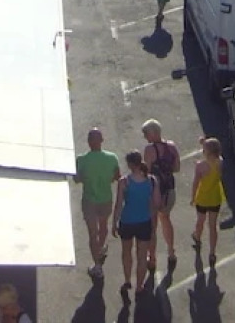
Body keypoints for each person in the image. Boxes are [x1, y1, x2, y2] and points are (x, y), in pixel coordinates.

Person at [73, 127, 120, 279]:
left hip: (89, 200)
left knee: (92, 233)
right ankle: (101, 249)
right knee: (103, 226)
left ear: (88, 142)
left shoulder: (81, 159)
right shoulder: (112, 158)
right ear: (102, 141)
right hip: (105, 198)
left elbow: (77, 179)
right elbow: (117, 176)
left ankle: (97, 265)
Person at [112, 150, 157, 296]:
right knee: (142, 256)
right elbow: (155, 204)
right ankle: (139, 286)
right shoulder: (151, 181)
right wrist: (153, 223)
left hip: (127, 221)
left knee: (126, 252)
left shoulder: (124, 181)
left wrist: (114, 223)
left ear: (130, 164)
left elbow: (119, 204)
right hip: (144, 221)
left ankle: (127, 280)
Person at [141, 119, 181, 271]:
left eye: (146, 133)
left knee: (152, 225)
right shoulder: (171, 147)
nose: (145, 137)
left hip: (155, 191)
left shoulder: (149, 150)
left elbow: (147, 172)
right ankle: (171, 251)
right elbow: (176, 168)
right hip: (169, 189)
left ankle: (152, 258)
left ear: (153, 133)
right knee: (166, 219)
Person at [190, 136, 225, 266]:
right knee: (212, 226)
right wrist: (204, 142)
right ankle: (212, 252)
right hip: (215, 197)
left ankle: (197, 237)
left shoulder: (200, 166)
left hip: (203, 198)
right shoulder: (220, 162)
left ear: (207, 152)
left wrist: (193, 197)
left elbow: (195, 183)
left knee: (200, 220)